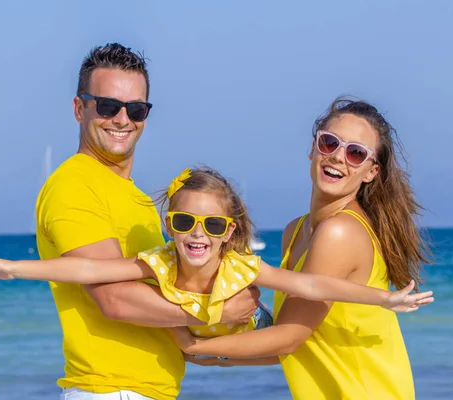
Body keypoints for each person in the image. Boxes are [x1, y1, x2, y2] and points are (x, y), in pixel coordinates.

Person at [0, 167, 433, 346]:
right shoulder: (160, 262)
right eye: (185, 223)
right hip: (199, 340)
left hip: (255, 331)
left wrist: (383, 299)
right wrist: (14, 268)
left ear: (228, 232)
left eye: (212, 226)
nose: (198, 235)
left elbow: (312, 285)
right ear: (170, 226)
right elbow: (87, 268)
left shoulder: (241, 267)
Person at [31, 43, 261, 400]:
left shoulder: (135, 197)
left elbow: (166, 298)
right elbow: (114, 299)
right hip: (112, 390)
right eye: (108, 106)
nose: (122, 119)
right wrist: (215, 311)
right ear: (80, 108)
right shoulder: (74, 185)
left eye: (136, 109)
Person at [166, 98, 433, 400]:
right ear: (314, 147)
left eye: (356, 153)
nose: (338, 157)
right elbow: (300, 345)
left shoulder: (339, 232)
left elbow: (288, 339)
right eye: (330, 143)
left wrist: (195, 346)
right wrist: (213, 356)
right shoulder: (297, 231)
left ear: (371, 172)